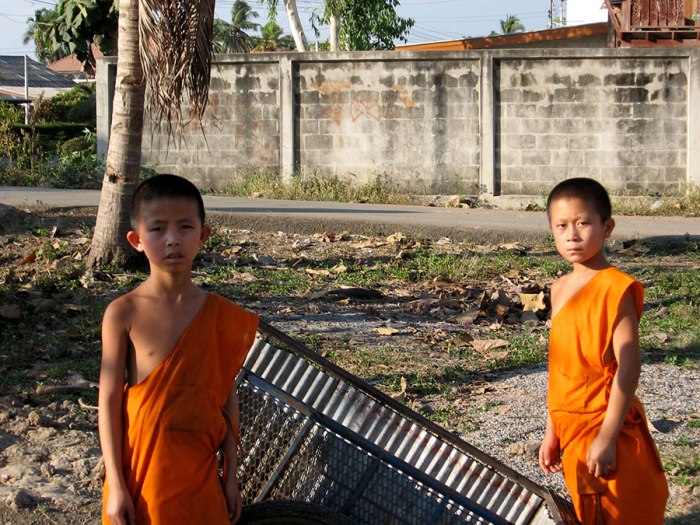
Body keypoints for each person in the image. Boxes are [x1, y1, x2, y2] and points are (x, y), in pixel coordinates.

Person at [98, 174, 259, 525]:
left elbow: (226, 398)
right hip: (144, 475)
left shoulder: (219, 315)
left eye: (186, 227)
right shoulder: (123, 313)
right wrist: (116, 482)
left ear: (203, 235)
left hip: (199, 473)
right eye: (157, 229)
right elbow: (109, 402)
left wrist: (230, 476)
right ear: (136, 240)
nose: (173, 240)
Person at [538, 178, 668, 524]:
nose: (572, 235)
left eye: (583, 223)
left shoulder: (616, 287)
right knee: (590, 512)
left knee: (623, 511)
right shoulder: (559, 289)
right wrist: (553, 432)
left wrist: (608, 437)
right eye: (561, 226)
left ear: (606, 227)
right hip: (572, 430)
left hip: (604, 425)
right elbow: (560, 365)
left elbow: (629, 366)